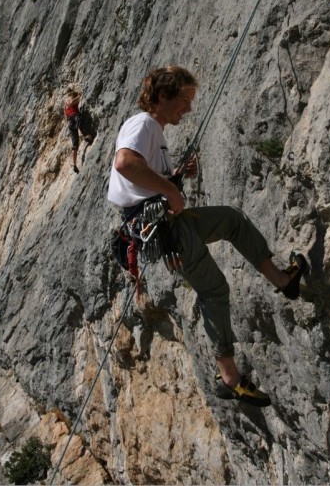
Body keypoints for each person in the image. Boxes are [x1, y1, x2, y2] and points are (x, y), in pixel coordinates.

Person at [108, 66, 308, 407]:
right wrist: (171, 189)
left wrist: (174, 176)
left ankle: (282, 279)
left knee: (231, 220)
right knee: (215, 290)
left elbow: (142, 175)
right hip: (166, 228)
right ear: (161, 96)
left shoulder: (154, 129)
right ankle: (230, 378)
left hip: (170, 221)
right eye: (183, 100)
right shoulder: (142, 124)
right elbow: (125, 163)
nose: (188, 108)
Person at [64, 88, 81, 174]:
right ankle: (87, 135)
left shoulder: (65, 104)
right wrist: (79, 96)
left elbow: (66, 116)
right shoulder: (71, 99)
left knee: (75, 144)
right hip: (75, 118)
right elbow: (72, 102)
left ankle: (74, 164)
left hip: (70, 121)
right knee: (82, 120)